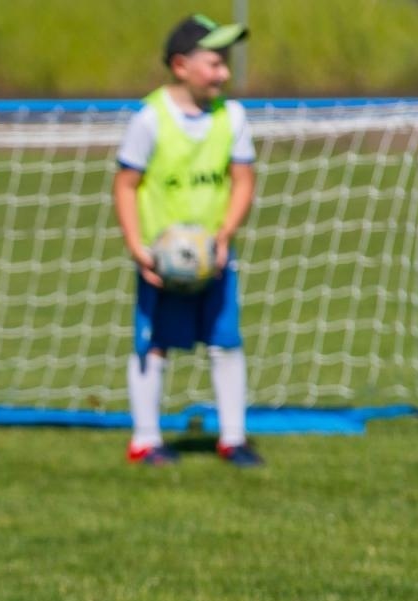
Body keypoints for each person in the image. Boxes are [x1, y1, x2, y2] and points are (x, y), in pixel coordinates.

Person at [112, 13, 263, 467]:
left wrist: (224, 236)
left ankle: (233, 438)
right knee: (153, 343)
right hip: (161, 261)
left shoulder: (232, 117)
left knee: (226, 340)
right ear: (181, 65)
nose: (224, 73)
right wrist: (138, 247)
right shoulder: (149, 119)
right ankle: (145, 439)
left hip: (213, 257)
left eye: (226, 63)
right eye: (215, 63)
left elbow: (242, 181)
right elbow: (125, 185)